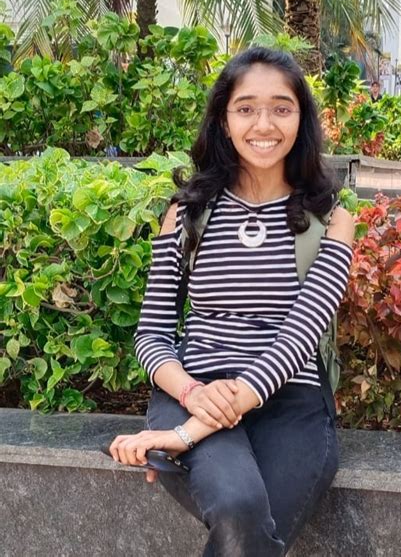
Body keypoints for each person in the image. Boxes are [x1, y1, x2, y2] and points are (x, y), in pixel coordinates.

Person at [109, 47, 355, 556]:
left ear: (302, 119)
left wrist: (187, 435)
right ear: (224, 120)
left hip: (291, 401)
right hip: (191, 387)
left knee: (249, 528)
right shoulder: (187, 214)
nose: (264, 124)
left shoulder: (332, 220)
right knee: (239, 505)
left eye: (281, 108)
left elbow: (301, 336)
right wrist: (192, 397)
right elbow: (152, 334)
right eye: (246, 108)